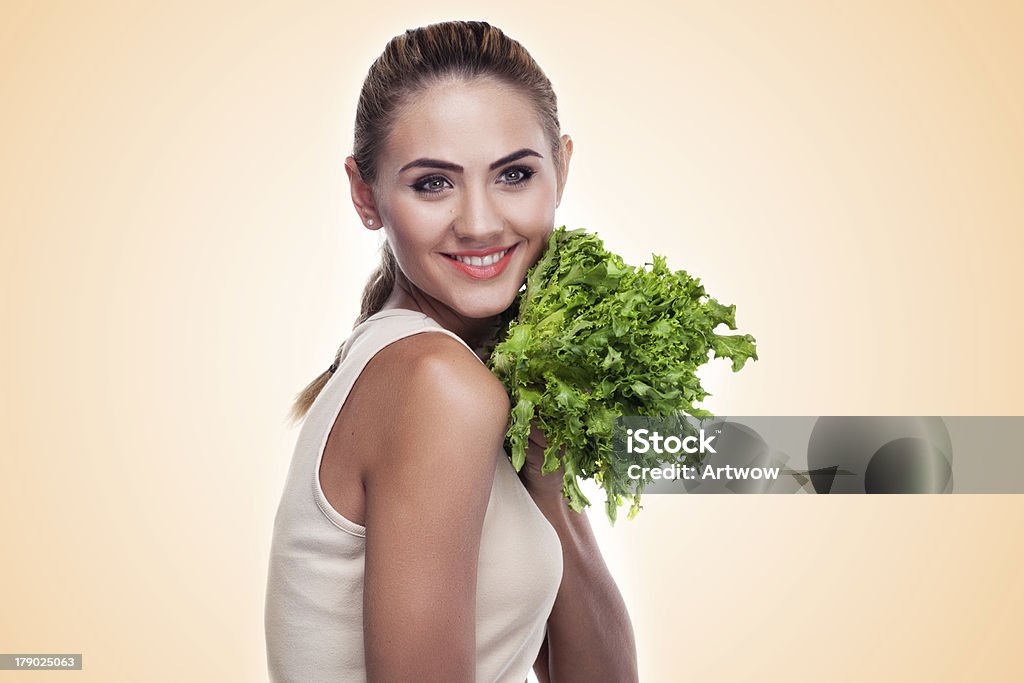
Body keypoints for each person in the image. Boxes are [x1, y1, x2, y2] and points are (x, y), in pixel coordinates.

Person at [265, 20, 638, 683]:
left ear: (563, 168)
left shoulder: (439, 368)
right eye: (433, 183)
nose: (480, 222)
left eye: (514, 174)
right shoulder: (435, 382)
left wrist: (547, 471)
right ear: (365, 193)